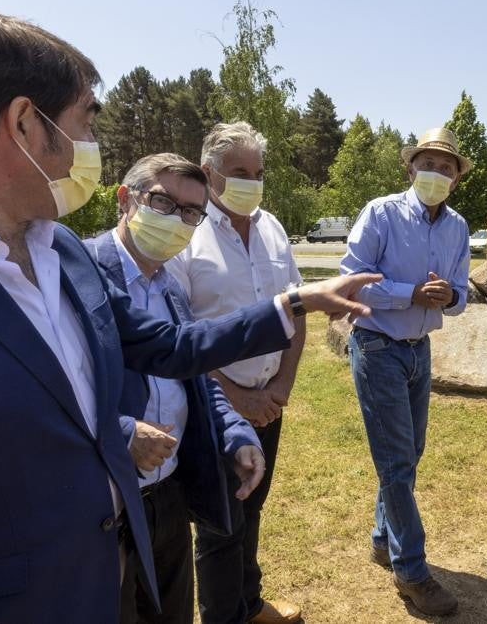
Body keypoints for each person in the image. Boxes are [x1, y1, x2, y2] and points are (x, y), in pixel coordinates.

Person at [0, 11, 377, 624]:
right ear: (25, 123)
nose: (96, 146)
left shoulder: (58, 247)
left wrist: (294, 303)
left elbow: (161, 348)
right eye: (87, 120)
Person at [84, 152, 261, 623]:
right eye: (162, 202)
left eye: (190, 213)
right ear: (126, 199)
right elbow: (50, 386)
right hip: (102, 502)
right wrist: (123, 432)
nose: (177, 220)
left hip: (167, 491)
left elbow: (198, 379)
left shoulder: (169, 288)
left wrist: (235, 431)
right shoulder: (78, 275)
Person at [164, 122, 304, 624]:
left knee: (252, 507)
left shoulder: (272, 227)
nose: (252, 182)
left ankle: (249, 603)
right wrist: (238, 401)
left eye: (259, 172)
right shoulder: (186, 235)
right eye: (240, 172)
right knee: (221, 525)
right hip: (216, 409)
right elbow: (179, 338)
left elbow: (296, 314)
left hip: (271, 403)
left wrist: (281, 389)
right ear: (209, 173)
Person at [338, 127, 471, 617]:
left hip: (419, 349)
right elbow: (350, 281)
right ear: (411, 168)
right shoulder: (381, 212)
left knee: (409, 453)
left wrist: (449, 296)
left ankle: (381, 537)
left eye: (447, 167)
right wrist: (408, 294)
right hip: (377, 347)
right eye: (428, 164)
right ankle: (411, 571)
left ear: (457, 178)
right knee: (396, 461)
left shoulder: (457, 227)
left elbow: (462, 292)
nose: (436, 173)